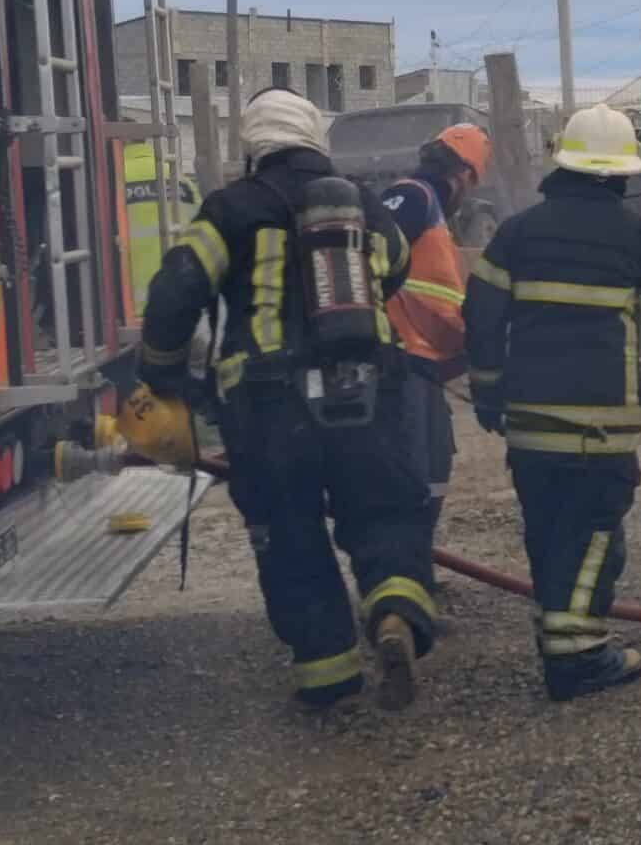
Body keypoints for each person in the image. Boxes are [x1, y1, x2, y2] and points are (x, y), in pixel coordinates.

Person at [137, 87, 438, 711]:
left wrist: (163, 377)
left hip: (269, 408)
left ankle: (327, 680)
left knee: (290, 532)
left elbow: (175, 291)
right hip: (369, 393)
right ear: (314, 136)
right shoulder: (359, 204)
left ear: (252, 145)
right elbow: (399, 266)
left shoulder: (230, 208)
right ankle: (393, 615)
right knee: (385, 513)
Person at [463, 104, 641, 701]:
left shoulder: (516, 232)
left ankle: (560, 642)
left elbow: (482, 313)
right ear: (623, 173)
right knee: (594, 535)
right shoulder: (631, 233)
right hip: (600, 426)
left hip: (531, 426)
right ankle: (578, 660)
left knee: (547, 533)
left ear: (560, 163)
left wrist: (488, 390)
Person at [379, 123, 492, 589]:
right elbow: (374, 254)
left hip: (421, 362)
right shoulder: (413, 197)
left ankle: (413, 577)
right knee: (414, 475)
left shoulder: (430, 213)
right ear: (463, 173)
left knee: (434, 467)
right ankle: (401, 587)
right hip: (400, 358)